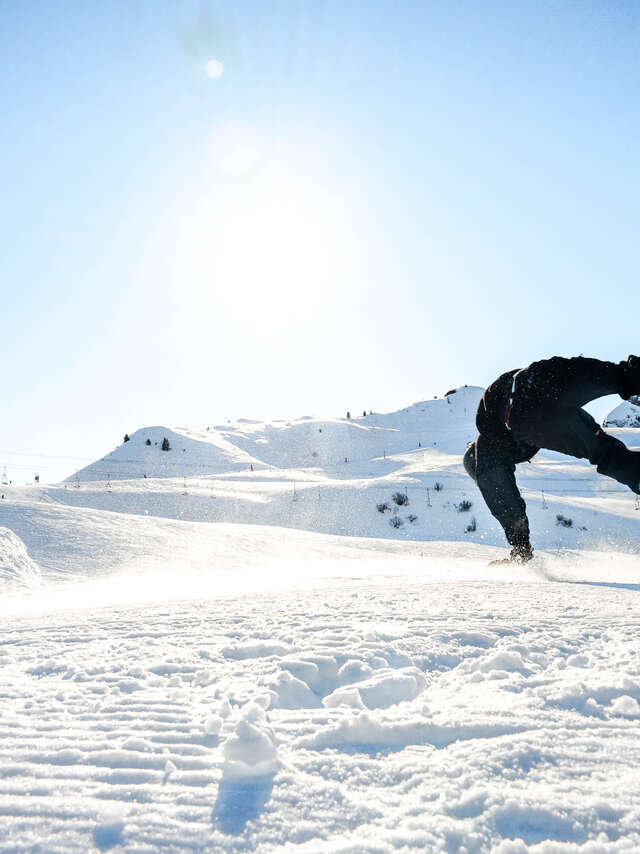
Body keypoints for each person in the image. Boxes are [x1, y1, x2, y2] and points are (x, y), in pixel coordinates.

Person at [463, 355, 640, 564]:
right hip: (538, 380)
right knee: (606, 447)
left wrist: (520, 548)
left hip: (527, 410)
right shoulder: (493, 416)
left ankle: (628, 375)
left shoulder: (486, 448)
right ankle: (631, 374)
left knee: (604, 452)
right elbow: (570, 373)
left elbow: (503, 499)